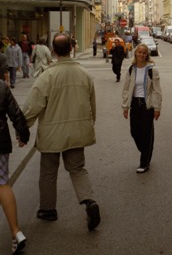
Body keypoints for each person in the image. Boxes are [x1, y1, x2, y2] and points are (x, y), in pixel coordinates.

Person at [22, 33, 100, 231]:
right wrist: (89, 124)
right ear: (72, 49)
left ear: (54, 51)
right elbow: (92, 105)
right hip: (77, 132)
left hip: (51, 134)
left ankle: (48, 209)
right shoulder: (84, 74)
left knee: (48, 172)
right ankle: (89, 201)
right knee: (77, 169)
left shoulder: (47, 76)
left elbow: (33, 106)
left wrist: (22, 129)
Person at [122, 43, 162, 173]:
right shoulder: (131, 69)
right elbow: (126, 88)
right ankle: (146, 150)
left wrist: (157, 108)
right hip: (135, 104)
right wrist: (125, 106)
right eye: (139, 52)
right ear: (135, 53)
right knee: (134, 132)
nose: (141, 55)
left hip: (147, 105)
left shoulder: (152, 70)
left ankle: (144, 163)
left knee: (146, 134)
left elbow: (157, 90)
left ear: (147, 55)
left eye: (144, 53)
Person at [0, 79, 30, 253]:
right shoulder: (2, 86)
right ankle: (16, 232)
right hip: (0, 142)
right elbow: (16, 114)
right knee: (3, 183)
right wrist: (23, 135)